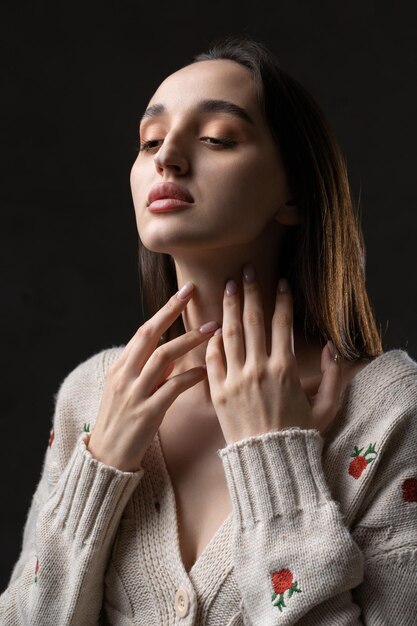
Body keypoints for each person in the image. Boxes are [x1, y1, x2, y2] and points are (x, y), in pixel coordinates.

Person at [1, 35, 416, 625]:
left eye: (217, 137)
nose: (167, 156)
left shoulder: (387, 411)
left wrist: (277, 462)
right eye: (149, 142)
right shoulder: (92, 396)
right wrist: (98, 473)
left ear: (294, 193)